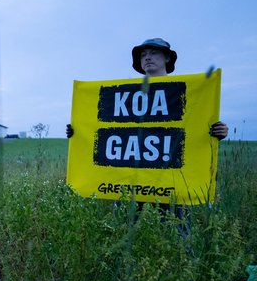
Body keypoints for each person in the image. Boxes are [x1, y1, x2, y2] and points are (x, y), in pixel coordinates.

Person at [66, 38, 229, 233]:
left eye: (153, 53)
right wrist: (77, 132)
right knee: (125, 230)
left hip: (171, 181)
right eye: (143, 55)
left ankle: (181, 253)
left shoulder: (187, 91)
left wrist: (217, 132)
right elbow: (100, 126)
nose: (147, 58)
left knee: (177, 233)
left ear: (167, 57)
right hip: (131, 181)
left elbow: (196, 125)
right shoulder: (126, 92)